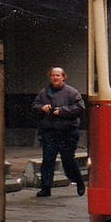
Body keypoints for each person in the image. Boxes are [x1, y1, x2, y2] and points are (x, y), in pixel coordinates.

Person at [32, 66, 87, 198]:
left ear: (63, 77)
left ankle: (78, 181)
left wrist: (61, 111)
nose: (55, 78)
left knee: (68, 160)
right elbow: (35, 106)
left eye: (58, 75)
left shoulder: (72, 92)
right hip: (50, 132)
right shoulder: (44, 93)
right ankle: (46, 188)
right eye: (53, 75)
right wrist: (42, 108)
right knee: (48, 159)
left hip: (67, 132)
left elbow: (80, 108)